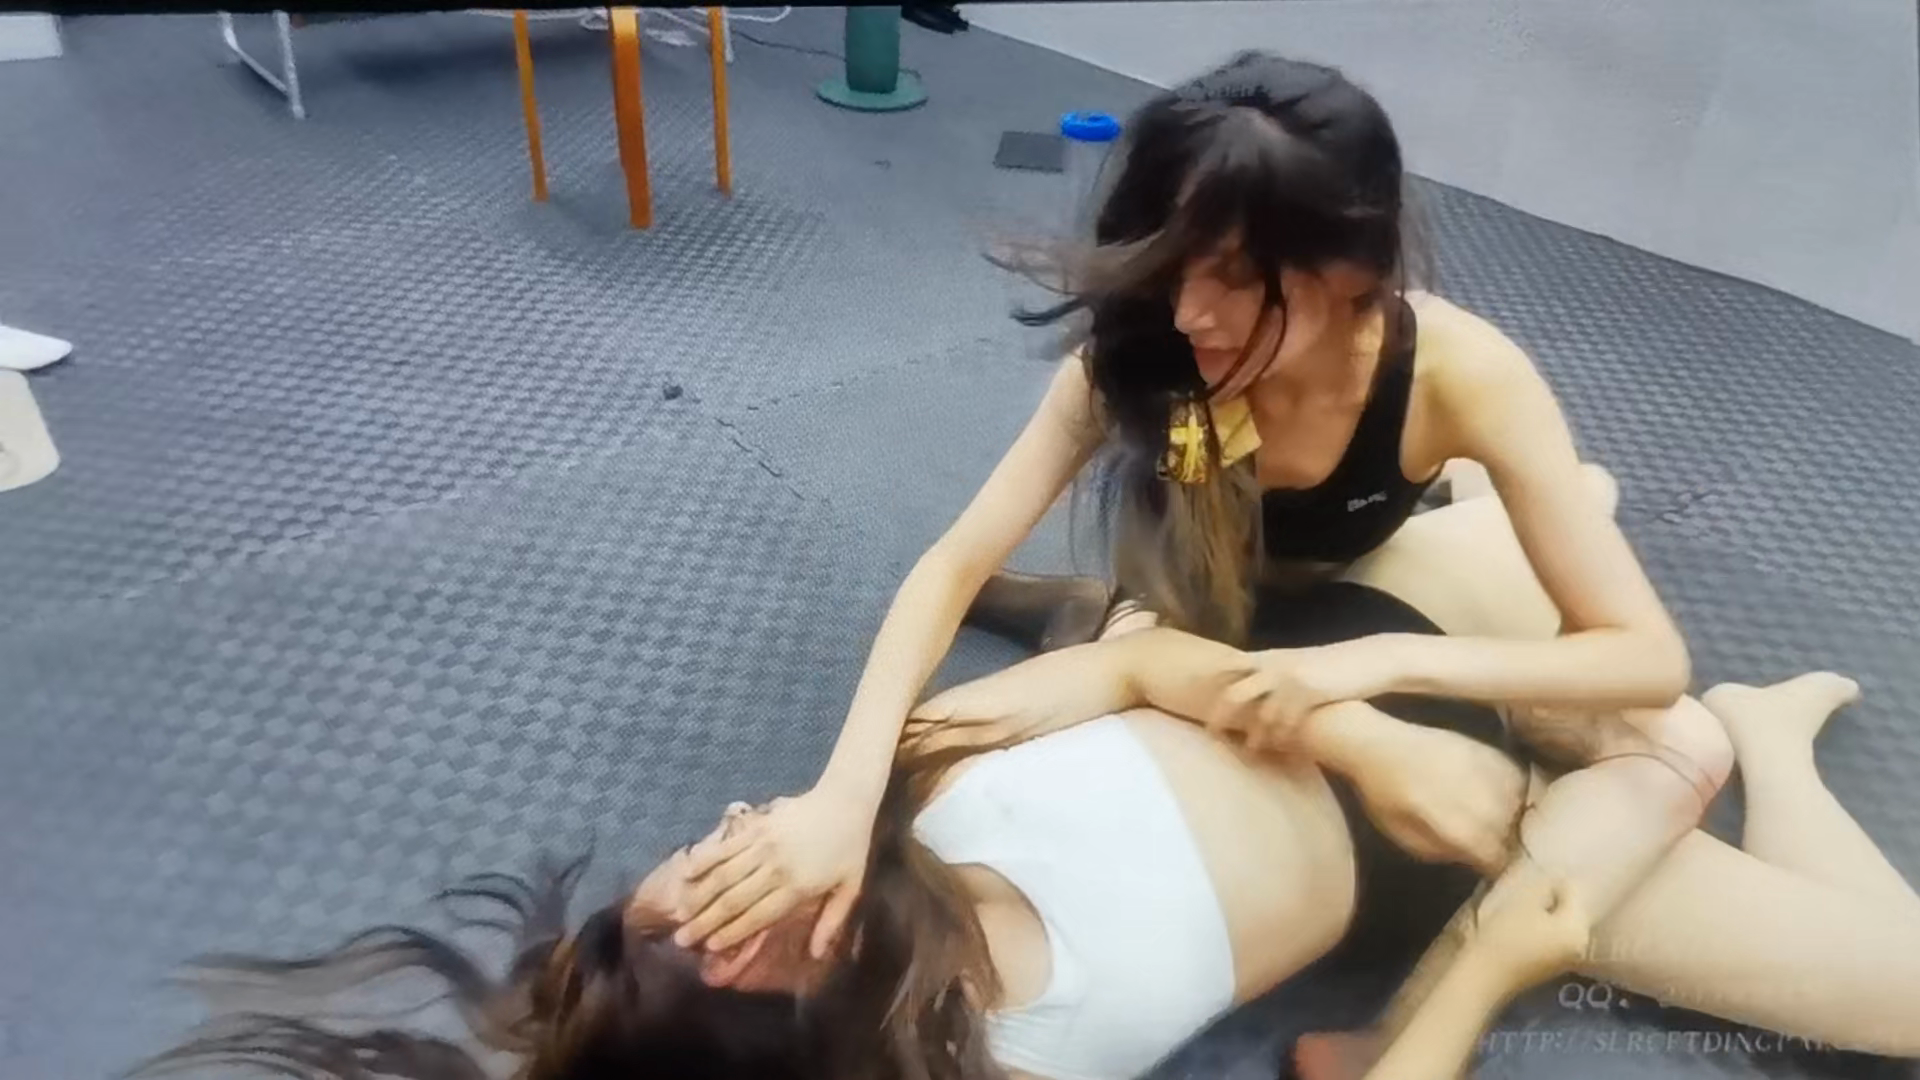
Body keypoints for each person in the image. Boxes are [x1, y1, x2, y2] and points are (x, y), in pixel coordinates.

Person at [130, 489, 1920, 1080]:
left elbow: (1150, 674)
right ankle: (1753, 749)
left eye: (698, 850)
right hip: (1473, 865)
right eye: (733, 887)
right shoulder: (999, 1061)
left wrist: (1369, 722)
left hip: (1350, 657)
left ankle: (1650, 730)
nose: (741, 829)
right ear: (810, 989)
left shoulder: (900, 798)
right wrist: (1520, 943)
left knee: (1552, 506)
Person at [671, 53, 1723, 1052]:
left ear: (1353, 269)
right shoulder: (1141, 351)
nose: (1189, 313)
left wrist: (1376, 665)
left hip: (1348, 590)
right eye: (1172, 266)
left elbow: (1646, 657)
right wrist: (841, 798)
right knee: (941, 744)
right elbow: (950, 563)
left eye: (1238, 277)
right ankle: (1096, 613)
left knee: (1656, 684)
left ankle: (1092, 614)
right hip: (1188, 612)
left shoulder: (1458, 371)